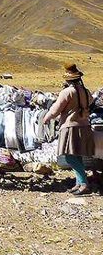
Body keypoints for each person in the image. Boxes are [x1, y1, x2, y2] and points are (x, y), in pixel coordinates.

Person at [44, 63, 94, 196]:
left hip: (70, 127)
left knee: (69, 157)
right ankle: (79, 182)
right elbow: (90, 101)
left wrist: (46, 118)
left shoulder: (66, 92)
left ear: (68, 79)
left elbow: (56, 109)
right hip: (84, 126)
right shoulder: (86, 91)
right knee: (77, 156)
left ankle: (83, 184)